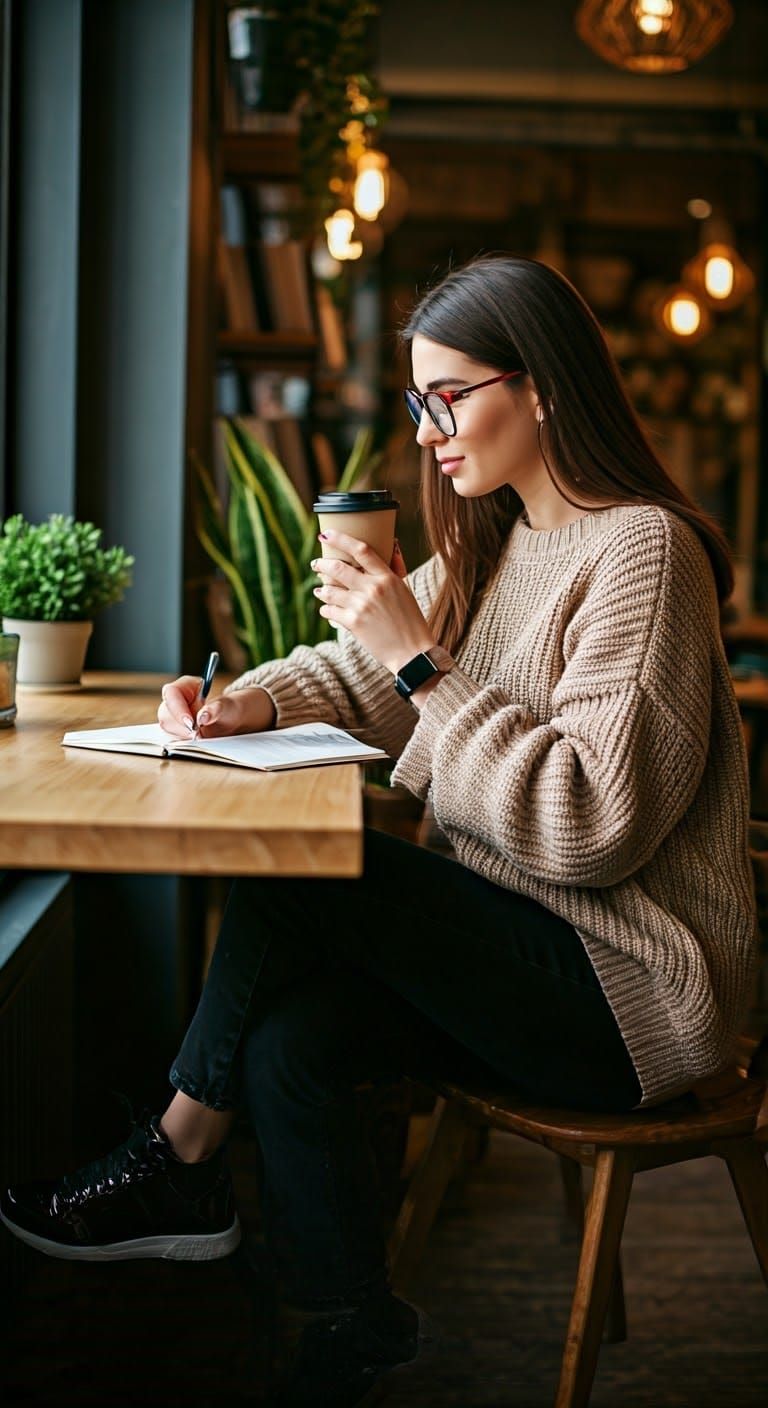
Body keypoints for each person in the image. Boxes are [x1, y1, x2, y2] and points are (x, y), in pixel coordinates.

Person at [1, 255, 756, 1407]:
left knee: (305, 877)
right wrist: (246, 697)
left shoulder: (640, 551)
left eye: (450, 396)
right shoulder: (503, 540)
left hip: (629, 995)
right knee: (289, 1042)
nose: (429, 430)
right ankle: (349, 1330)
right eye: (418, 403)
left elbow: (590, 823)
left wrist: (419, 658)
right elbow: (362, 676)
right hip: (523, 957)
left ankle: (176, 1159)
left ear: (542, 387)